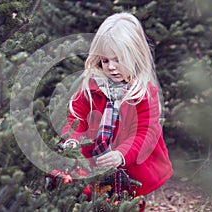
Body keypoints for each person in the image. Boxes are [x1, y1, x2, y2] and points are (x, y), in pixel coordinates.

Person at [60, 12, 173, 209]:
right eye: (105, 61)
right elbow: (76, 119)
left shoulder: (144, 95)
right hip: (94, 159)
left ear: (135, 57)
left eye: (118, 59)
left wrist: (121, 154)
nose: (111, 67)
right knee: (88, 197)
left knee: (128, 200)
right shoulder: (91, 88)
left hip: (129, 164)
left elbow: (145, 132)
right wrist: (72, 139)